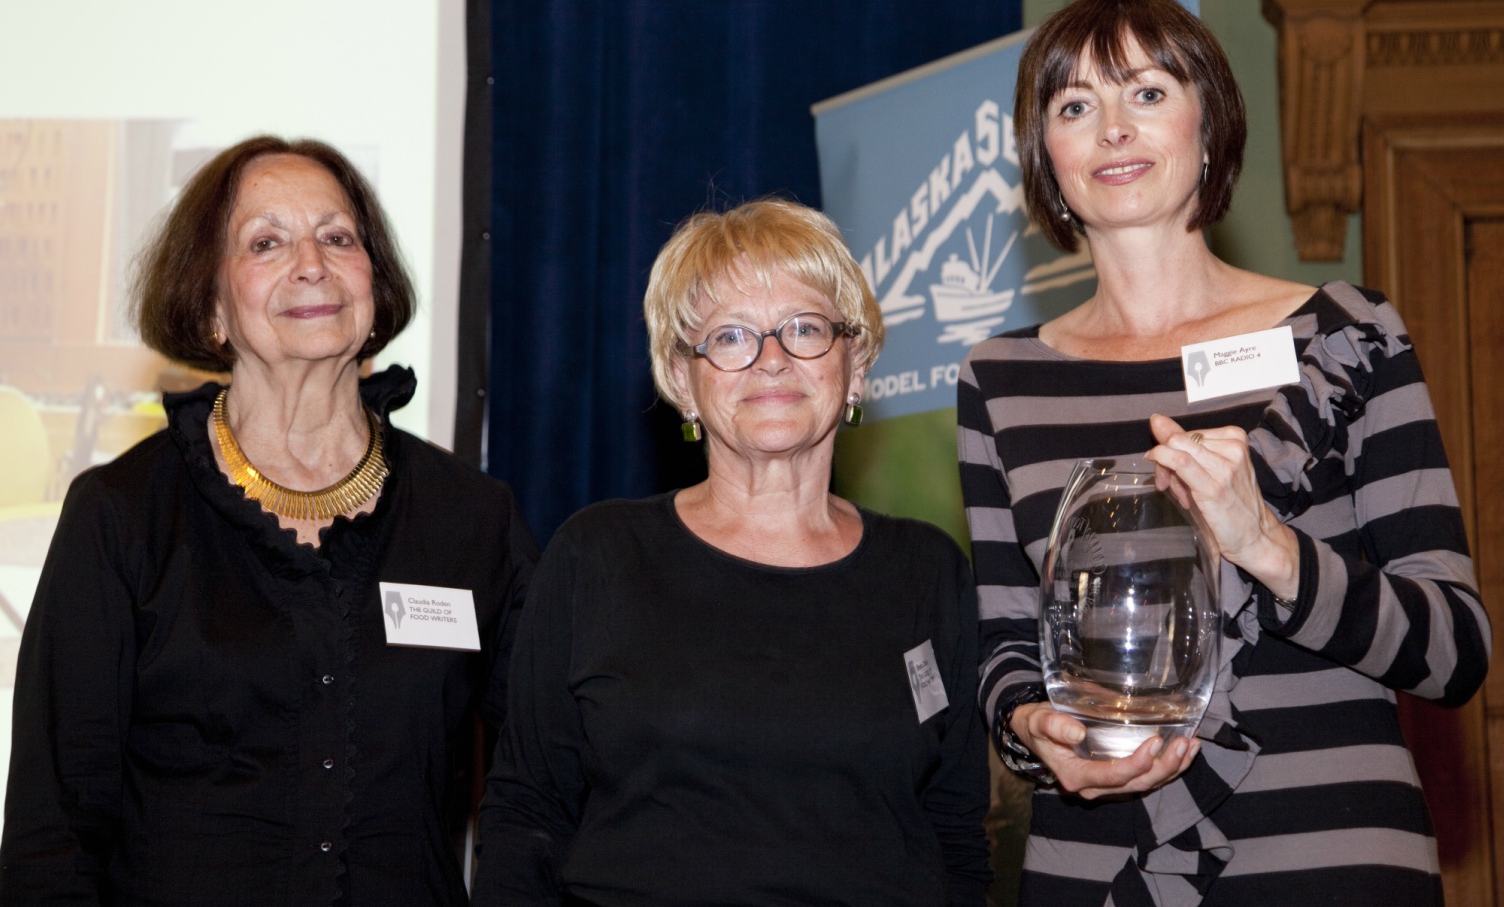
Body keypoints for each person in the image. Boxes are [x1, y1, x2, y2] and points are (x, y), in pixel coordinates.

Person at [958, 0, 1490, 906]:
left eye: (1149, 93)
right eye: (1076, 106)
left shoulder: (1345, 337)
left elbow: (1453, 648)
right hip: (1098, 869)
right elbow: (1008, 643)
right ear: (1049, 160)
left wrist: (1267, 547)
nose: (1113, 129)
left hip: (1334, 863)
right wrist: (1029, 725)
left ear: (1211, 125)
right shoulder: (1000, 380)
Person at [0, 136, 536, 906]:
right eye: (266, 242)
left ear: (375, 286)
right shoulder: (120, 514)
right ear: (212, 306)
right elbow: (53, 835)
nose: (311, 262)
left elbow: (546, 782)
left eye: (338, 237)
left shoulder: (474, 520)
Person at [474, 199, 990, 906]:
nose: (771, 359)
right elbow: (525, 817)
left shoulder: (930, 571)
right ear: (683, 380)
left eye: (805, 328)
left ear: (857, 365)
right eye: (731, 336)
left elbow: (957, 835)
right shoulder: (596, 556)